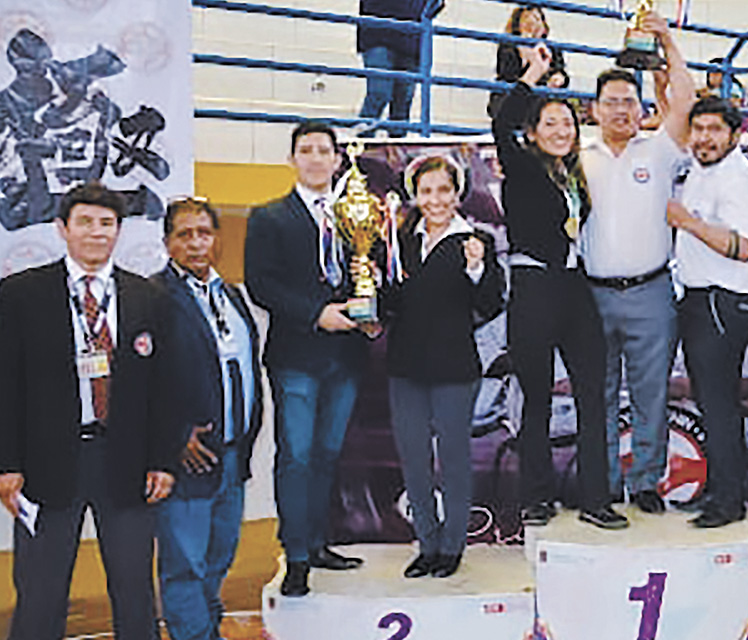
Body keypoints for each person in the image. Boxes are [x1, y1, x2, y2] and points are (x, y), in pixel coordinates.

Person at [0, 182, 177, 640]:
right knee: (40, 592)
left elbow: (162, 389)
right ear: (63, 229)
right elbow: (6, 386)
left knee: (136, 590)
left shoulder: (147, 297)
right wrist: (8, 464)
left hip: (126, 462)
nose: (96, 233)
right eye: (85, 222)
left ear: (118, 231)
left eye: (107, 223)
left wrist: (161, 459)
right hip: (46, 463)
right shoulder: (21, 294)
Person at [492, 43, 627, 530]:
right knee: (537, 398)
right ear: (532, 133)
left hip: (574, 287)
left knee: (593, 394)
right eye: (549, 123)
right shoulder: (521, 165)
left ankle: (596, 499)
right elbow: (501, 121)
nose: (560, 130)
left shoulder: (574, 175)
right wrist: (531, 75)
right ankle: (536, 497)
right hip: (533, 288)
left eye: (566, 124)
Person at [243, 121, 373, 597]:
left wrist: (367, 303)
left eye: (325, 150)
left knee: (327, 454)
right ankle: (295, 554)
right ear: (292, 159)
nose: (317, 158)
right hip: (296, 356)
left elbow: (366, 275)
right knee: (296, 457)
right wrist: (317, 314)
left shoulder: (357, 216)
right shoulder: (268, 217)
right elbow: (262, 284)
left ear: (339, 159)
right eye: (307, 150)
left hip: (346, 356)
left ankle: (318, 542)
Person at [582, 12, 696, 514]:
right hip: (592, 294)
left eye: (630, 101)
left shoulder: (660, 150)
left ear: (642, 107)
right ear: (595, 109)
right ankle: (604, 484)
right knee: (598, 394)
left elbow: (688, 99)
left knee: (651, 394)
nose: (622, 109)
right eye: (612, 102)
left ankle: (646, 481)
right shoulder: (576, 155)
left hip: (651, 292)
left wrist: (667, 39)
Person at [382, 155, 505, 578]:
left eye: (443, 190)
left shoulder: (476, 241)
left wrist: (476, 269)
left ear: (457, 193)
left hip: (455, 369)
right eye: (426, 190)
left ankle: (452, 547)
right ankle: (427, 544)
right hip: (406, 367)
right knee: (413, 460)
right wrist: (370, 278)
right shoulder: (399, 241)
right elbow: (389, 305)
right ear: (415, 194)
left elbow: (490, 304)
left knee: (452, 459)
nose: (434, 199)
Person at [152, 197, 264, 640]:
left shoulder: (231, 295)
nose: (196, 242)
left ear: (217, 240)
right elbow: (142, 382)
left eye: (204, 232)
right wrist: (174, 435)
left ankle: (205, 629)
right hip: (187, 459)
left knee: (219, 557)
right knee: (185, 565)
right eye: (185, 234)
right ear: (168, 243)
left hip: (232, 456)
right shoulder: (154, 298)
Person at [666, 96, 748, 528]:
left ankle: (728, 502)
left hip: (722, 303)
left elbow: (745, 249)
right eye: (699, 129)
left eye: (715, 130)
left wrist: (687, 222)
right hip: (701, 299)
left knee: (720, 405)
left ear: (735, 134)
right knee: (711, 401)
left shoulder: (737, 178)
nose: (704, 138)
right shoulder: (704, 169)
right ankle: (720, 494)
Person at [356, 0, 434, 136]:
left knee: (403, 99)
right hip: (379, 34)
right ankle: (362, 144)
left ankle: (396, 146)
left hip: (410, 38)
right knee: (380, 92)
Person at [487, 5, 568, 118]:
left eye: (536, 18)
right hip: (513, 97)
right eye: (526, 18)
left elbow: (560, 71)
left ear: (544, 26)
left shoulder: (552, 48)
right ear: (518, 24)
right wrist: (526, 56)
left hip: (542, 98)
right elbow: (507, 74)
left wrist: (558, 78)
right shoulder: (508, 46)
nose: (532, 22)